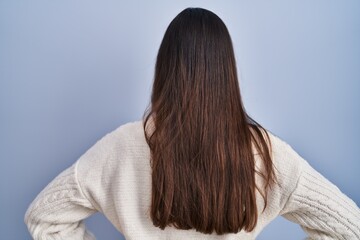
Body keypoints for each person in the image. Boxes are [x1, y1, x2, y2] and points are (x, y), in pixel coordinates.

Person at [24, 7, 360, 240]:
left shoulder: (122, 146)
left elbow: (43, 218)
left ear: (165, 70)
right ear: (226, 73)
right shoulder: (265, 152)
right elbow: (349, 227)